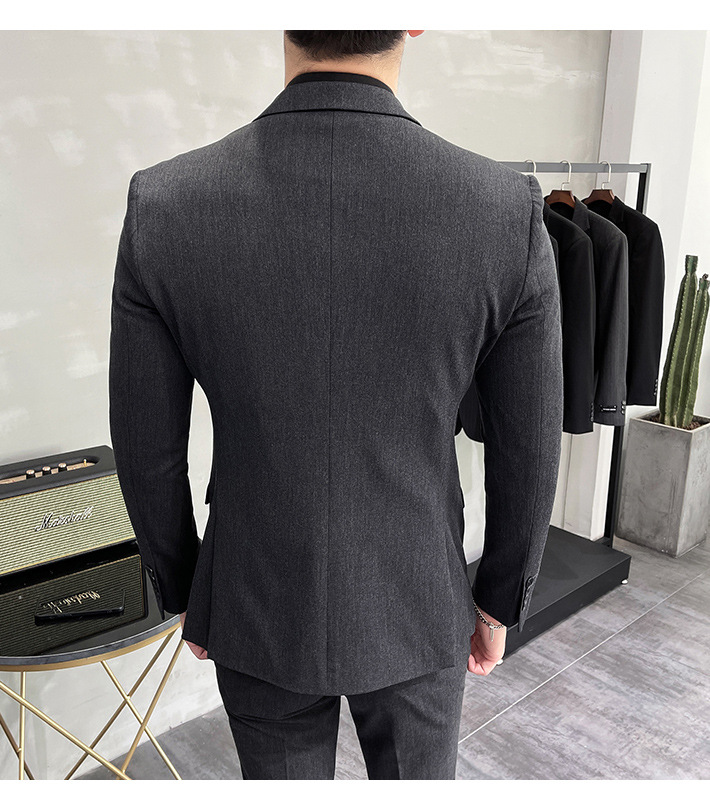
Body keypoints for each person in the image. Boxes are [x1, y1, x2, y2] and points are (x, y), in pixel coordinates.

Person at [108, 30, 563, 779]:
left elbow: (146, 445)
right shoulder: (501, 209)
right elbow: (530, 445)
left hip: (256, 593)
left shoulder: (167, 205)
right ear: (414, 22)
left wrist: (190, 588)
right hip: (419, 595)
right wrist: (496, 602)